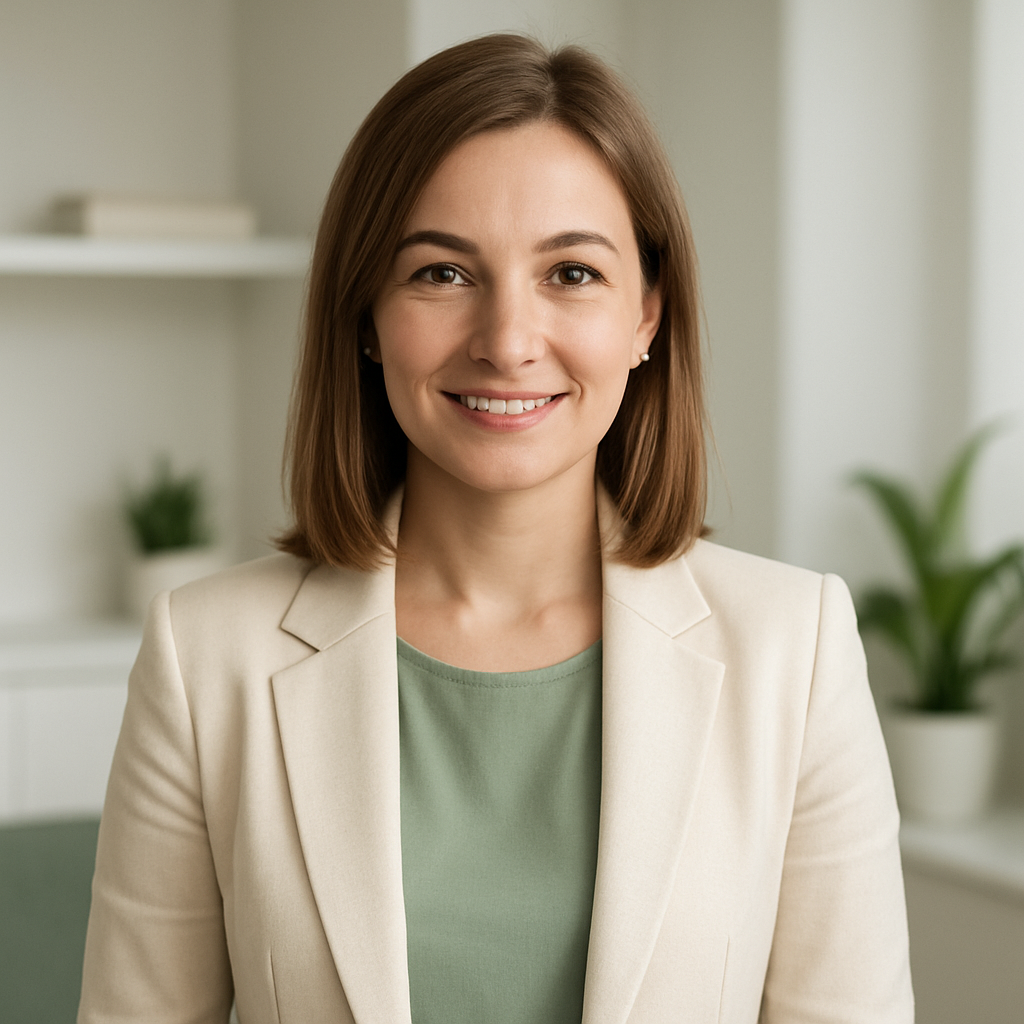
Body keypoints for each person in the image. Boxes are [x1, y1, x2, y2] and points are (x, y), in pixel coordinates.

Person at [79, 33, 913, 1024]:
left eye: (572, 273)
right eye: (441, 273)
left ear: (648, 315)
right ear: (365, 313)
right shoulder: (203, 656)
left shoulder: (795, 650)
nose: (508, 342)